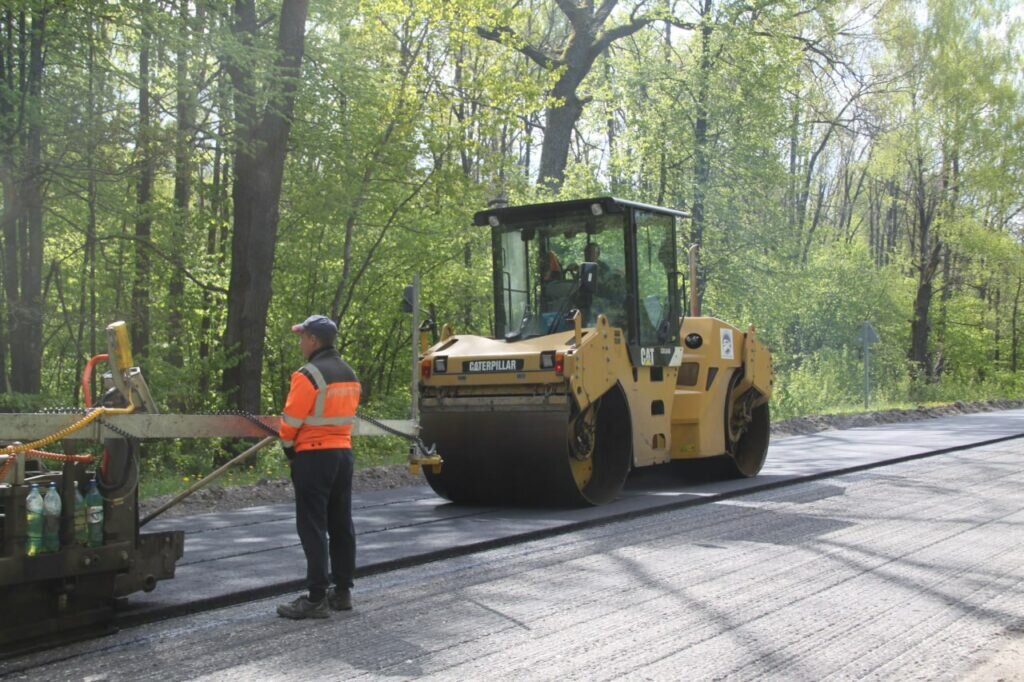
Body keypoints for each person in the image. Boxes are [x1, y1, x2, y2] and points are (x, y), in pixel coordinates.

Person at [276, 314, 361, 620]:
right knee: (341, 524)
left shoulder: (307, 375)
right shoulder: (349, 373)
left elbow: (290, 423)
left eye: (302, 337)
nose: (300, 342)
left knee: (312, 527)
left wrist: (289, 451)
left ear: (313, 340)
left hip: (313, 456)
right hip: (343, 455)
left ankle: (314, 598)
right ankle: (341, 592)